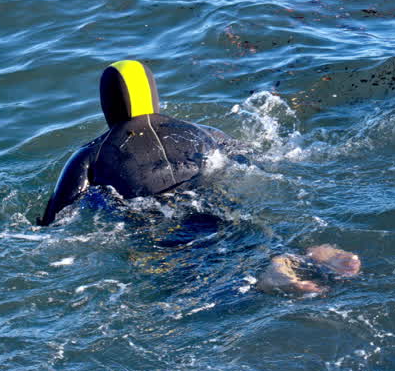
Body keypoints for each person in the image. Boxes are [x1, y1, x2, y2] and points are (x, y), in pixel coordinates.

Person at [37, 60, 360, 295]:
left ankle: (266, 273)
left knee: (188, 269)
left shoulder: (89, 156)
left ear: (107, 103)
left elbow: (59, 215)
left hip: (153, 212)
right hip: (204, 187)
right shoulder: (197, 131)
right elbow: (252, 155)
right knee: (230, 219)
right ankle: (292, 249)